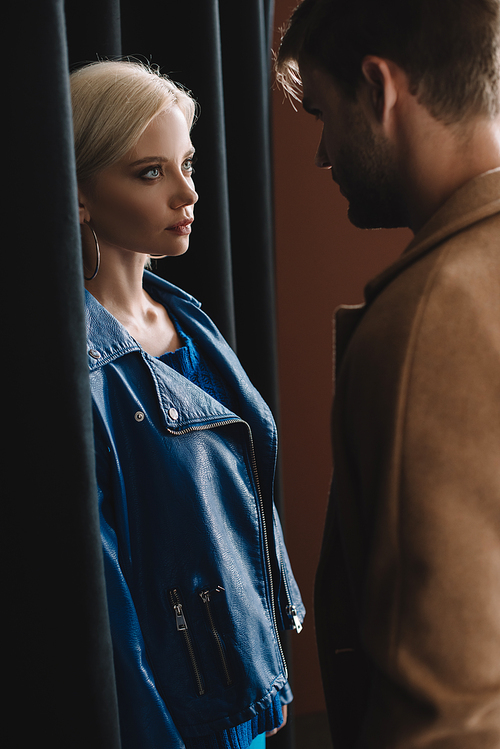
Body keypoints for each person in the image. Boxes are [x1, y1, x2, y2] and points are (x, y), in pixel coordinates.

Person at [276, 0, 500, 746]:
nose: (322, 154)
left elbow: (450, 717)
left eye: (324, 113)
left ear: (381, 89)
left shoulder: (430, 320)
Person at [70, 60, 304, 749]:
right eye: (151, 172)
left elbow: (243, 505)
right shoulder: (78, 364)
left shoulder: (188, 319)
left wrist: (265, 666)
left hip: (240, 689)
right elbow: (105, 601)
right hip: (173, 717)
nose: (187, 192)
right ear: (80, 194)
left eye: (188, 164)